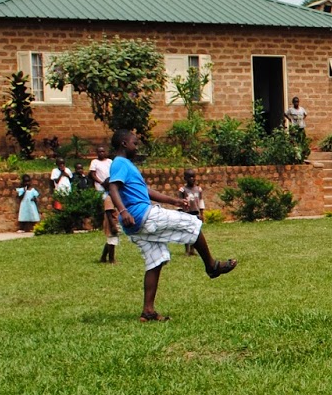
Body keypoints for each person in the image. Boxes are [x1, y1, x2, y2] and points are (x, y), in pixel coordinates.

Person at [105, 129, 237, 322]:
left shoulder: (127, 165)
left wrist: (173, 201)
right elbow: (113, 187)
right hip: (142, 215)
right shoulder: (119, 163)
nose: (137, 147)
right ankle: (211, 266)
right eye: (135, 143)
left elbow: (146, 191)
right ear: (124, 144)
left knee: (156, 260)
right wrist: (123, 211)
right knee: (192, 223)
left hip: (135, 225)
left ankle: (148, 311)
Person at [89, 144, 118, 264]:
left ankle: (103, 257)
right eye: (99, 151)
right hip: (111, 222)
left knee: (111, 240)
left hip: (114, 221)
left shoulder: (110, 161)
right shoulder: (109, 198)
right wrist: (113, 225)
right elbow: (109, 211)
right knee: (112, 239)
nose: (102, 153)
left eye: (103, 151)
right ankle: (111, 259)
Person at [178, 168, 205, 257]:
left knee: (195, 232)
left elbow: (201, 201)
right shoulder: (182, 190)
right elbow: (180, 202)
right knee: (186, 231)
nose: (192, 179)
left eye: (193, 177)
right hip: (186, 213)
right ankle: (187, 250)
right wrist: (180, 213)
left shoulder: (198, 189)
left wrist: (202, 214)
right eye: (190, 177)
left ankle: (192, 250)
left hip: (195, 213)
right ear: (185, 178)